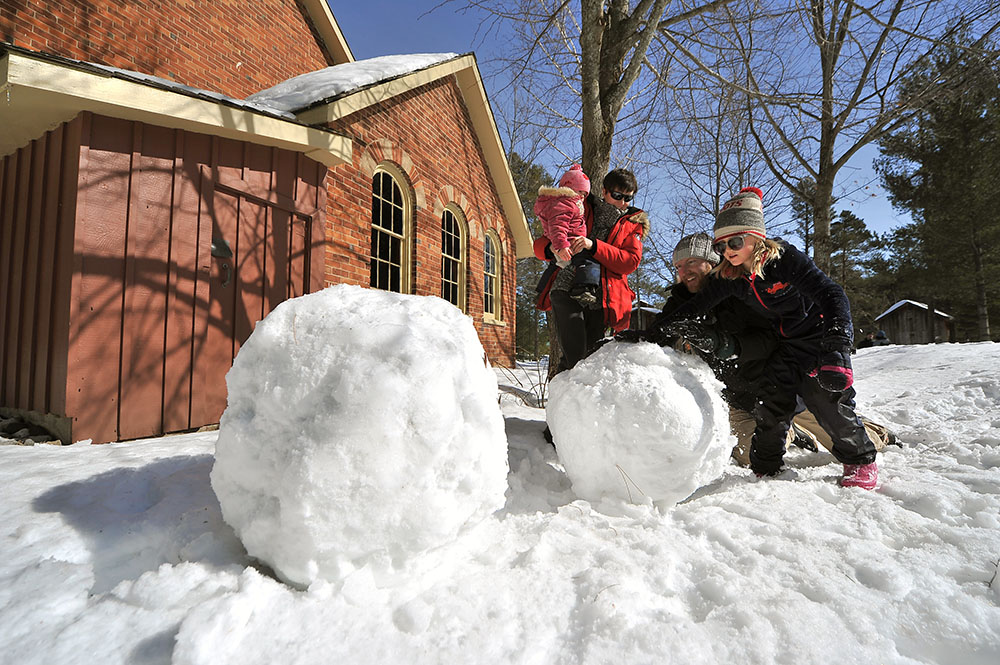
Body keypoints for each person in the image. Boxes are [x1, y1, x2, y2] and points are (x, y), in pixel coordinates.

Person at [648, 187, 879, 490]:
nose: (728, 249)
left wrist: (837, 344)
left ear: (755, 237)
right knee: (772, 405)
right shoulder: (730, 278)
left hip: (816, 341)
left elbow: (831, 294)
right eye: (722, 244)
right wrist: (649, 333)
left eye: (735, 241)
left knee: (826, 403)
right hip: (779, 354)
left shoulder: (783, 260)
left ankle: (861, 459)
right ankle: (766, 466)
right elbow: (693, 308)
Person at [535, 168, 649, 374]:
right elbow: (544, 239)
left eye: (628, 198)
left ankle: (567, 403)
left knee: (590, 360)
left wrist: (593, 245)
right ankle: (562, 402)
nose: (623, 202)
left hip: (601, 299)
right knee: (576, 357)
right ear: (604, 192)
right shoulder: (581, 206)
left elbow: (629, 262)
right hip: (566, 288)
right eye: (617, 196)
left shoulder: (633, 225)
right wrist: (550, 248)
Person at [533, 164, 601, 305]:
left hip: (565, 242)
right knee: (588, 261)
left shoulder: (561, 202)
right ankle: (583, 288)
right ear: (571, 190)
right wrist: (561, 246)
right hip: (569, 243)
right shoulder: (567, 203)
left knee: (553, 267)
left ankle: (541, 292)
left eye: (585, 195)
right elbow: (558, 226)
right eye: (581, 193)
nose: (583, 197)